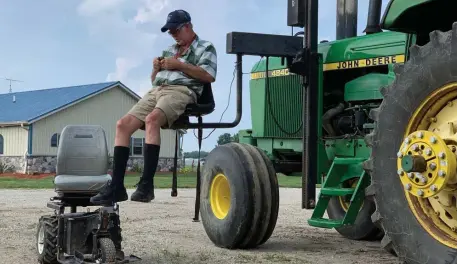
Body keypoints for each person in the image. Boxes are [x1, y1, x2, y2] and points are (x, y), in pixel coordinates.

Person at [90, 9, 217, 205]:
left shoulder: (206, 47)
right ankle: (116, 187)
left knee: (152, 119)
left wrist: (179, 65)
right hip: (158, 90)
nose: (173, 34)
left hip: (182, 90)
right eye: (170, 32)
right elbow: (154, 81)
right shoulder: (169, 50)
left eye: (175, 30)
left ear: (188, 26)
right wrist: (156, 69)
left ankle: (146, 186)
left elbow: (208, 76)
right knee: (122, 125)